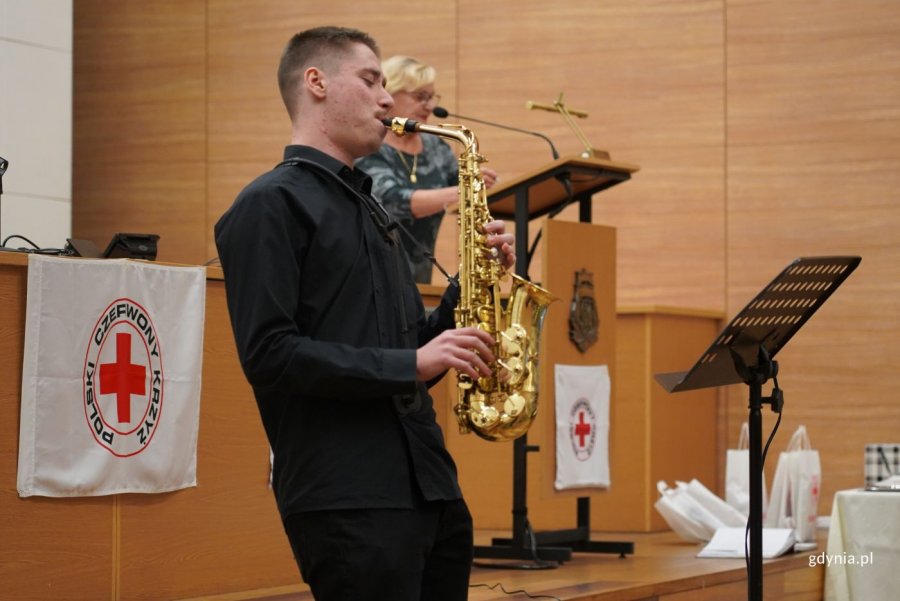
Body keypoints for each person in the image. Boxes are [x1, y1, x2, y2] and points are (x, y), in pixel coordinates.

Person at [213, 27, 516, 601]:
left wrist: (470, 288)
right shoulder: (268, 205)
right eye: (371, 80)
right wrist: (412, 363)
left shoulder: (371, 206)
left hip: (429, 487)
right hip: (347, 494)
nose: (386, 99)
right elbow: (270, 355)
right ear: (317, 83)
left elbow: (411, 345)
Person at [355, 55, 498, 284]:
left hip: (422, 278)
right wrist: (461, 191)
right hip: (374, 278)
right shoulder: (370, 145)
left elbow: (462, 197)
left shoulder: (436, 148)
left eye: (431, 97)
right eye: (420, 97)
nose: (430, 106)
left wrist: (479, 186)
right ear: (390, 93)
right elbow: (391, 201)